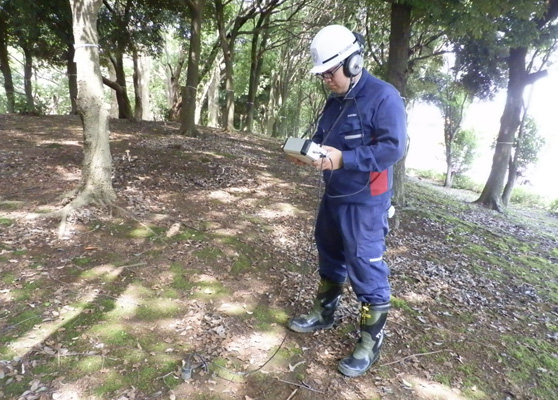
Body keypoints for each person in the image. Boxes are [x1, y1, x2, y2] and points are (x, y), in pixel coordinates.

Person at [287, 24, 407, 377]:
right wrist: (309, 154)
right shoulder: (334, 102)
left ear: (354, 63)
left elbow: (392, 148)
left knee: (365, 266)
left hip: (367, 201)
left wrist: (345, 159)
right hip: (334, 194)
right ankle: (324, 313)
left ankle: (370, 342)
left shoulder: (384, 97)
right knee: (329, 252)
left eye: (330, 71)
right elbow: (323, 141)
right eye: (322, 74)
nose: (326, 79)